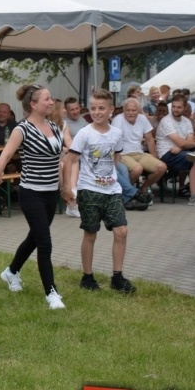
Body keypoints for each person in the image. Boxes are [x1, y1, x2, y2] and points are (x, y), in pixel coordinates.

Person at [0, 84, 66, 309]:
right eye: (46, 99)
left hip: (50, 193)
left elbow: (59, 161)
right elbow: (4, 157)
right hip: (31, 194)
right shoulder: (21, 129)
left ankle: (11, 272)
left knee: (35, 238)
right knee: (45, 242)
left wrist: (65, 188)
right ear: (33, 104)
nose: (51, 101)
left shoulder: (55, 127)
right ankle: (51, 293)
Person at [63, 89, 136, 293]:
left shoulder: (116, 134)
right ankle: (87, 277)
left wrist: (112, 178)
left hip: (112, 190)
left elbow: (116, 158)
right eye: (93, 108)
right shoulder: (85, 134)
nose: (97, 112)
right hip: (89, 190)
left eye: (101, 108)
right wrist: (68, 188)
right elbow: (70, 160)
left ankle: (117, 277)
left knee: (121, 230)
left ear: (111, 110)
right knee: (90, 233)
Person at [155, 94, 195, 207]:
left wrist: (182, 146)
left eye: (179, 107)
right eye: (174, 106)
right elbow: (182, 142)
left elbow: (187, 141)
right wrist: (193, 144)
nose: (176, 109)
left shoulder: (187, 121)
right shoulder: (166, 121)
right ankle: (194, 197)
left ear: (184, 107)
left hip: (181, 150)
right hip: (168, 153)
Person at [111, 98, 167, 201]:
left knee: (161, 167)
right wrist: (116, 160)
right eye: (128, 110)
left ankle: (143, 189)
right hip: (123, 154)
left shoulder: (142, 118)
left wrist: (155, 158)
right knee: (137, 169)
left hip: (139, 153)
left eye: (133, 110)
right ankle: (128, 195)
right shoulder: (118, 120)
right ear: (124, 110)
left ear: (138, 110)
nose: (130, 113)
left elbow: (150, 140)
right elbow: (115, 142)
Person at [62, 97, 87, 218]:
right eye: (72, 109)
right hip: (75, 156)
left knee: (120, 168)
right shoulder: (64, 123)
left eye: (77, 108)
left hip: (86, 154)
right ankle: (73, 199)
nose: (76, 111)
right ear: (66, 111)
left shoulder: (83, 121)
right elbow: (66, 145)